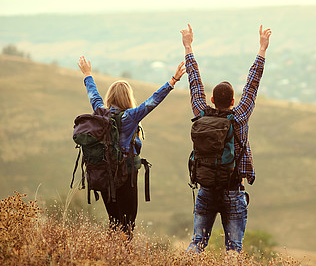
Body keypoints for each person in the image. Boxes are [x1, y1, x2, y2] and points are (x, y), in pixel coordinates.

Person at [180, 23, 272, 253]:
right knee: (234, 249)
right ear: (233, 102)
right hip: (233, 190)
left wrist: (188, 46)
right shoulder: (239, 117)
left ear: (211, 99)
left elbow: (194, 83)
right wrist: (262, 49)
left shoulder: (200, 112)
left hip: (207, 188)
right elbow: (252, 84)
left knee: (197, 244)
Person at [77, 55, 186, 239]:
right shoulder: (131, 117)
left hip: (104, 175)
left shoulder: (101, 113)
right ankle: (123, 257)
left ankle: (109, 256)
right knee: (128, 224)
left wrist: (87, 74)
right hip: (125, 177)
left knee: (114, 221)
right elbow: (153, 101)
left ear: (110, 97)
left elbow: (93, 95)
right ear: (128, 97)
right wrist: (173, 80)